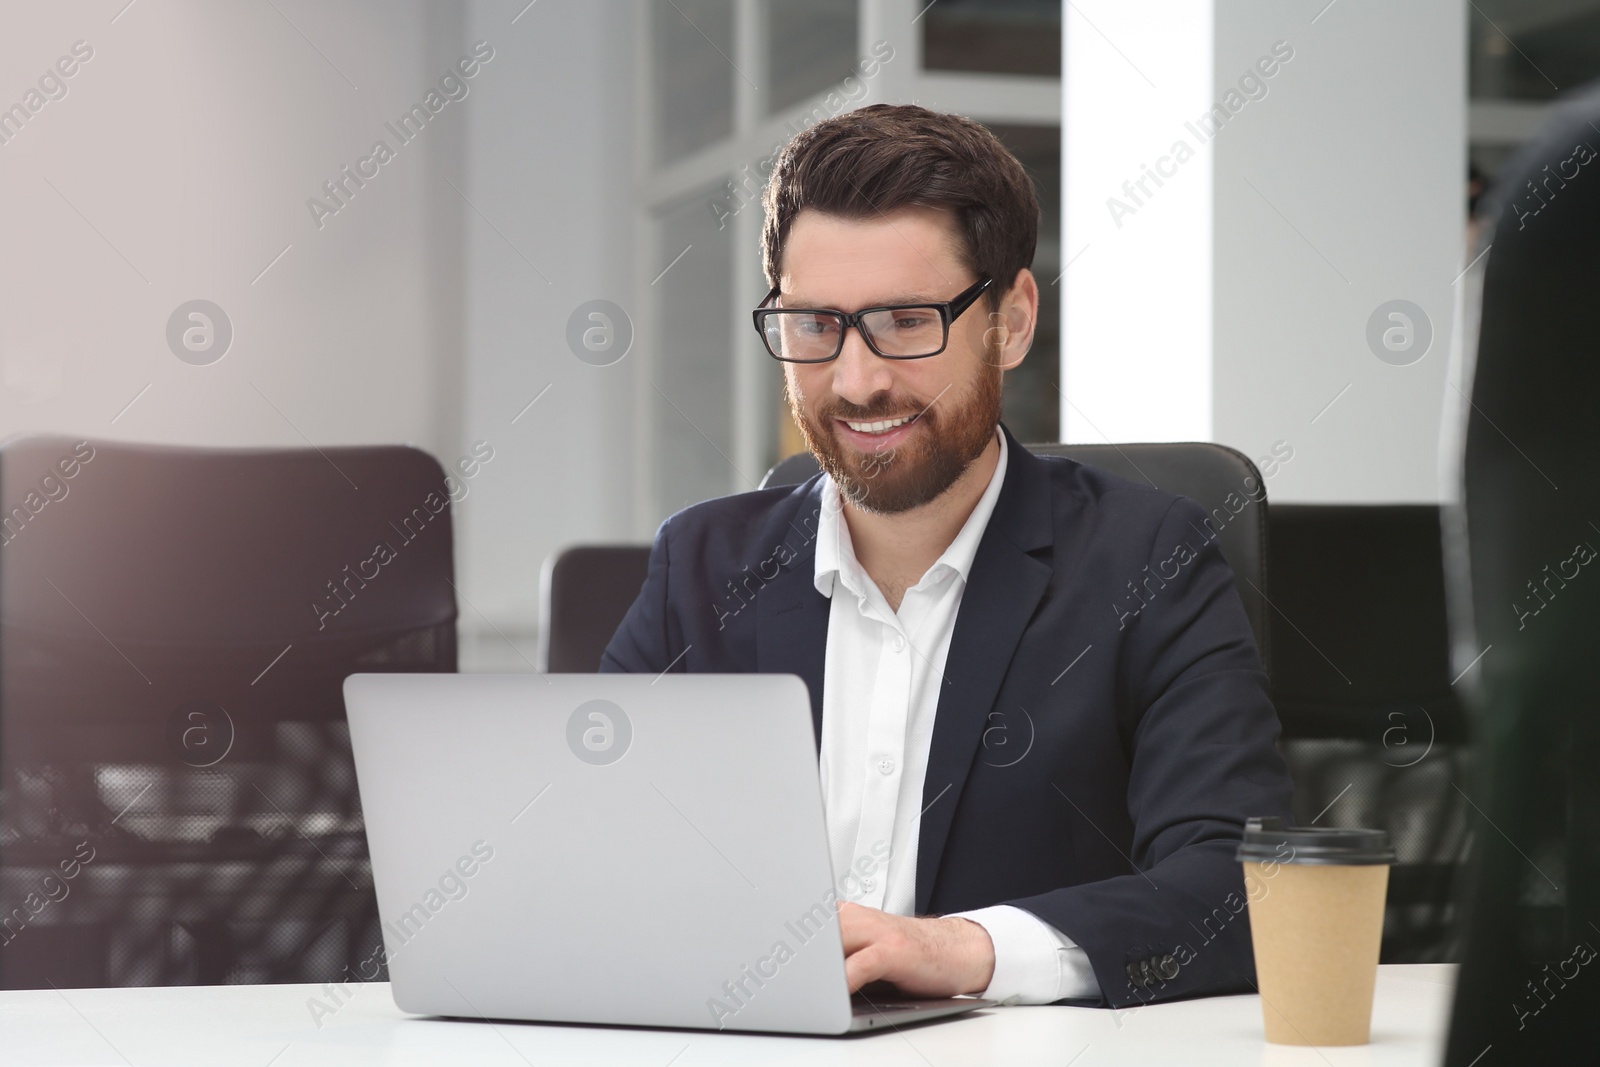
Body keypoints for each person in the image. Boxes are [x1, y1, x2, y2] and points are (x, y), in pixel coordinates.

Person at [602, 103, 1294, 1009]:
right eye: (815, 325)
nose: (857, 380)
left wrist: (970, 950)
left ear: (1009, 321)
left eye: (904, 320)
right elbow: (587, 850)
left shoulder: (1149, 560)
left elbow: (1242, 888)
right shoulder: (700, 564)